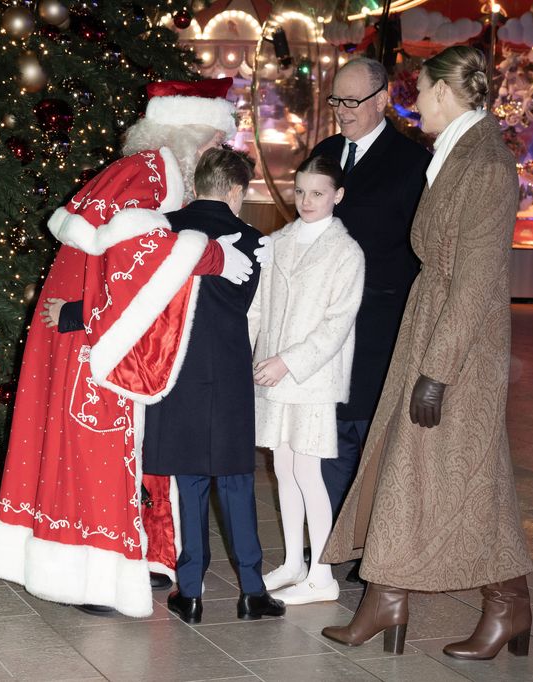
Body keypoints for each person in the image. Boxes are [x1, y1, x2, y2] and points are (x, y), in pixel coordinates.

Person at [0, 78, 265, 617]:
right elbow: (140, 256)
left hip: (89, 329)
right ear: (189, 136)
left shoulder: (154, 175)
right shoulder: (148, 175)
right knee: (102, 452)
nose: (216, 157)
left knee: (123, 451)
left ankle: (137, 559)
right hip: (95, 338)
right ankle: (96, 577)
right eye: (213, 145)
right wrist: (211, 256)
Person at [322, 46, 533, 659]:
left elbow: (475, 280)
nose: (414, 102)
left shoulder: (488, 165)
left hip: (461, 341)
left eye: (420, 90)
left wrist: (438, 372)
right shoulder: (456, 154)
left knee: (458, 469)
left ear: (446, 91)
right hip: (429, 322)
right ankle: (391, 597)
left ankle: (502, 603)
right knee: (419, 462)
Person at [139, 147, 285, 624]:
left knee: (190, 482)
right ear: (237, 190)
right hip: (228, 370)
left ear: (198, 181)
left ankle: (192, 591)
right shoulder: (253, 240)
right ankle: (252, 590)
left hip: (175, 368)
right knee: (237, 482)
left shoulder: (165, 227)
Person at [308, 58, 432, 556]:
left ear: (383, 99)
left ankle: (375, 550)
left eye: (353, 101)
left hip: (381, 321)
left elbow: (423, 246)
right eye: (336, 100)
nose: (342, 111)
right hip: (324, 322)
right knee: (329, 434)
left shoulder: (412, 162)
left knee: (372, 436)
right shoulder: (324, 153)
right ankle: (329, 544)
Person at [249, 156, 364, 606]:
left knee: (307, 469)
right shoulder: (277, 242)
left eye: (318, 193)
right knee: (282, 467)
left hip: (310, 377)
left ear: (337, 195)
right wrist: (246, 352)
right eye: (300, 192)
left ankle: (322, 573)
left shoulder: (345, 252)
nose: (307, 201)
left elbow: (337, 323)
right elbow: (257, 308)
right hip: (273, 375)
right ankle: (295, 563)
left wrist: (289, 362)